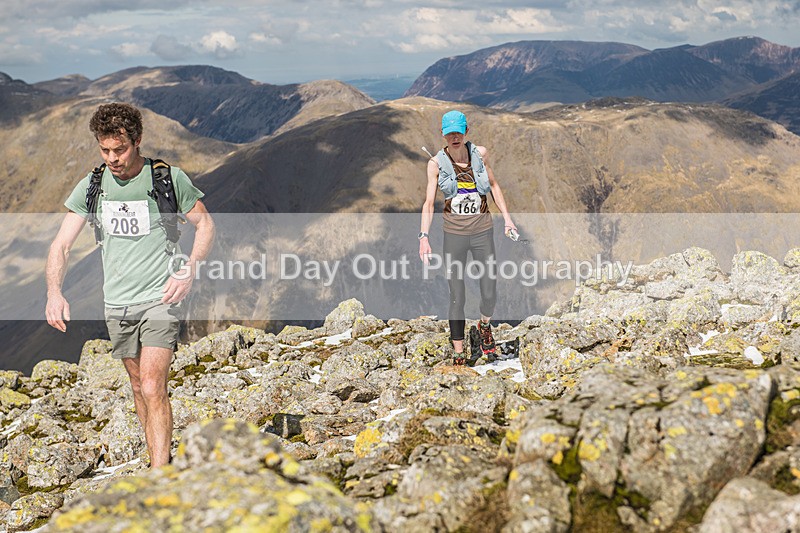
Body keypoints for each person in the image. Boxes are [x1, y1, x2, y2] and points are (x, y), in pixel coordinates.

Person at [45, 102, 214, 468]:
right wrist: (54, 293)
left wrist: (188, 270)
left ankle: (160, 473)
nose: (112, 158)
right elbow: (61, 244)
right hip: (117, 304)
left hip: (160, 298)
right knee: (138, 386)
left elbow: (205, 225)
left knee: (153, 385)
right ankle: (158, 454)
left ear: (137, 141)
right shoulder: (93, 186)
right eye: (105, 150)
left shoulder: (166, 179)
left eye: (119, 150)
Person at [419, 110, 517, 365]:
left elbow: (494, 186)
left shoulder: (480, 156)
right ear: (443, 134)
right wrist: (423, 237)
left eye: (458, 132)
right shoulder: (436, 164)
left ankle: (484, 326)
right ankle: (459, 352)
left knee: (489, 290)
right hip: (454, 236)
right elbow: (429, 202)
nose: (454, 137)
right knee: (457, 295)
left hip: (483, 231)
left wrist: (507, 219)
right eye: (449, 133)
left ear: (466, 132)